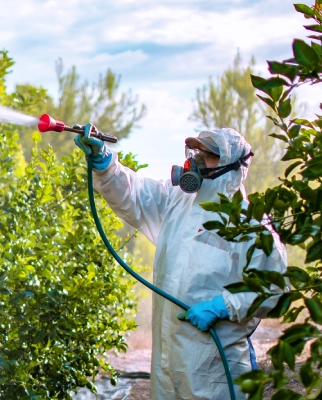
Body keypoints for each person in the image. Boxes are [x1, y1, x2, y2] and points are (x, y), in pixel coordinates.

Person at [75, 124, 287, 399]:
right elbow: (137, 194)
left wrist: (222, 306)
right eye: (196, 152)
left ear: (231, 168)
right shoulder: (178, 201)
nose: (196, 161)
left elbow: (275, 291)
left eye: (208, 156)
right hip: (168, 364)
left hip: (217, 371)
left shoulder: (250, 225)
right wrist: (105, 164)